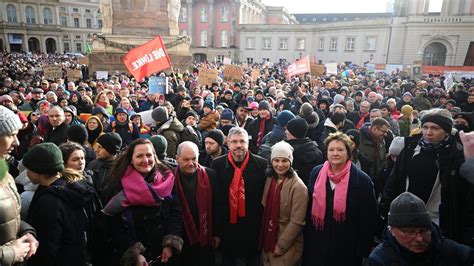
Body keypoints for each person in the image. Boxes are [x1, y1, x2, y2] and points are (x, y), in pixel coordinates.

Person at [381, 108, 474, 246]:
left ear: (446, 130)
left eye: (435, 128)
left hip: (441, 221)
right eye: (425, 127)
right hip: (407, 218)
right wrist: (385, 208)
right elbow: (394, 181)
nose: (428, 132)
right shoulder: (410, 149)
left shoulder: (457, 154)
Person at [101, 139, 183, 265]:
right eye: (139, 156)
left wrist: (170, 244)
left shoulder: (167, 179)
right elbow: (112, 224)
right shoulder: (116, 186)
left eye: (149, 155)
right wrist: (134, 254)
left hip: (162, 255)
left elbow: (175, 212)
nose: (145, 160)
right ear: (131, 160)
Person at [303, 132, 377, 266]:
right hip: (317, 243)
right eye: (331, 150)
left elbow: (368, 218)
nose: (335, 153)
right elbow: (308, 208)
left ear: (349, 153)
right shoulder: (316, 173)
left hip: (347, 246)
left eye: (340, 150)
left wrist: (363, 250)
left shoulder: (362, 180)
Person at [23, 143, 95, 266]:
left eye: (28, 169)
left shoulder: (50, 200)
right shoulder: (71, 188)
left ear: (38, 171)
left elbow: (47, 246)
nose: (27, 173)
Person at [367, 192, 474, 265]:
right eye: (410, 232)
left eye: (424, 231)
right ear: (393, 230)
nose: (419, 239)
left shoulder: (451, 252)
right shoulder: (380, 260)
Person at [211, 127, 267, 266]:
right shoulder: (217, 165)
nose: (238, 145)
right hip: (227, 228)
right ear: (228, 144)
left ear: (247, 143)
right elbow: (215, 201)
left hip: (252, 228)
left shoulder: (261, 164)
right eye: (234, 141)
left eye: (242, 141)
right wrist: (216, 231)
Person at [0, 106, 38, 265]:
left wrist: (25, 231)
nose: (16, 142)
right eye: (11, 135)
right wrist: (9, 253)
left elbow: (7, 216)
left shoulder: (4, 172)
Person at [260, 141, 308, 266]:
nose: (280, 165)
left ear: (291, 162)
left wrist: (281, 245)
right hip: (268, 238)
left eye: (284, 161)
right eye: (276, 160)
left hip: (286, 245)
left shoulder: (298, 187)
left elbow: (297, 221)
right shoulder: (270, 179)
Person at [174, 141, 220, 266]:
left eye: (194, 159)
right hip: (182, 236)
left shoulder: (210, 175)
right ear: (177, 158)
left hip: (205, 233)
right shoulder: (170, 178)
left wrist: (216, 233)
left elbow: (216, 206)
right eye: (186, 159)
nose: (191, 163)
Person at [286, 118, 324, 185]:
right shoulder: (317, 150)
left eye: (287, 129)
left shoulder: (289, 152)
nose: (285, 131)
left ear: (293, 132)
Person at [86, 132, 122, 200]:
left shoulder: (122, 168)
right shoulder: (93, 164)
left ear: (111, 150)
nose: (96, 150)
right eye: (97, 146)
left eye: (100, 147)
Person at [358, 118, 390, 183]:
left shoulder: (381, 140)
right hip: (362, 180)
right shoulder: (359, 139)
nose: (385, 134)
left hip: (377, 181)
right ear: (375, 128)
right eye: (383, 131)